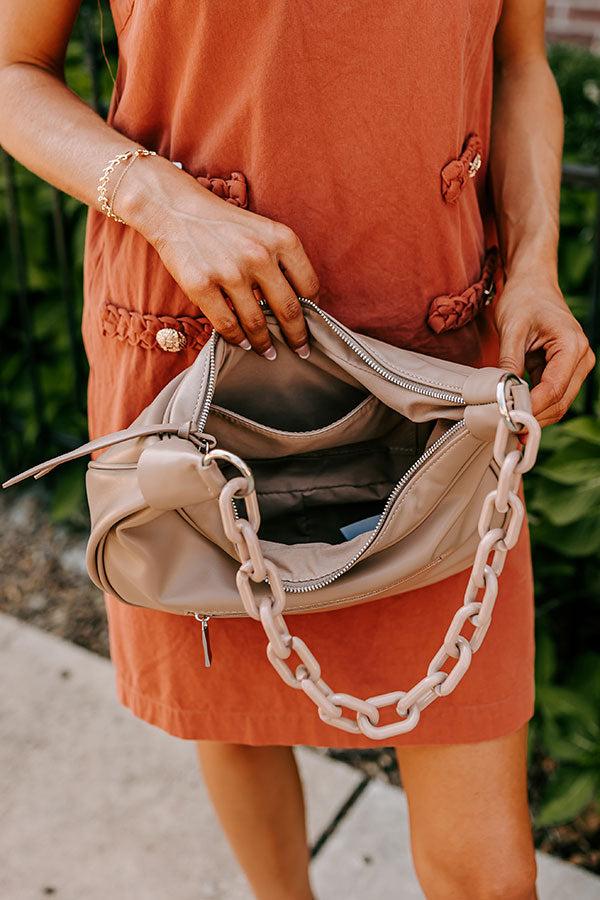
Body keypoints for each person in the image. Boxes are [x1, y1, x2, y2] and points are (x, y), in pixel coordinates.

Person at [0, 2, 594, 898]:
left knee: (491, 877)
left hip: (434, 377)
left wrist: (536, 264)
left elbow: (518, 66)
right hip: (196, 353)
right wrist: (164, 201)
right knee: (236, 720)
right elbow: (11, 71)